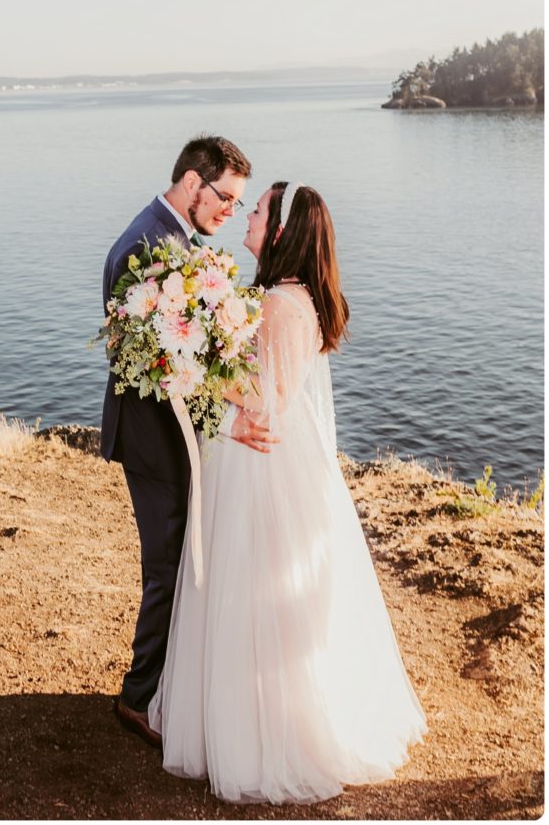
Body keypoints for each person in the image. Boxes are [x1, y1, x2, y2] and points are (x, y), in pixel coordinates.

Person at [147, 183, 427, 803]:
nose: (247, 216)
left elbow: (263, 401)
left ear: (280, 232)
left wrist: (185, 365)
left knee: (249, 591)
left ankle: (259, 733)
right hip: (276, 453)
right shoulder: (292, 297)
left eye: (259, 210)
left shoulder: (277, 303)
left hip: (259, 463)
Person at [101, 135, 275, 745]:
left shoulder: (172, 239)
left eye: (238, 203)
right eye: (225, 197)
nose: (230, 211)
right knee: (167, 567)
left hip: (172, 433)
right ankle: (138, 697)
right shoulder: (145, 247)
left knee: (179, 561)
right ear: (193, 183)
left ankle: (163, 682)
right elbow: (148, 362)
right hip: (154, 439)